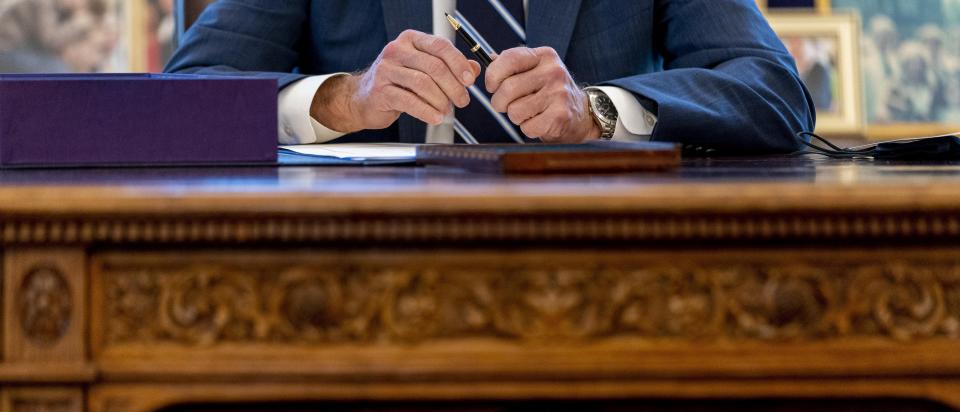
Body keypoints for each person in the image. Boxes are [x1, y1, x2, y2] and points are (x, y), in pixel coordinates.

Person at [165, 0, 815, 152]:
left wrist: (601, 111)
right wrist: (339, 99)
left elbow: (773, 89)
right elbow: (179, 102)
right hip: (362, 272)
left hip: (602, 271)